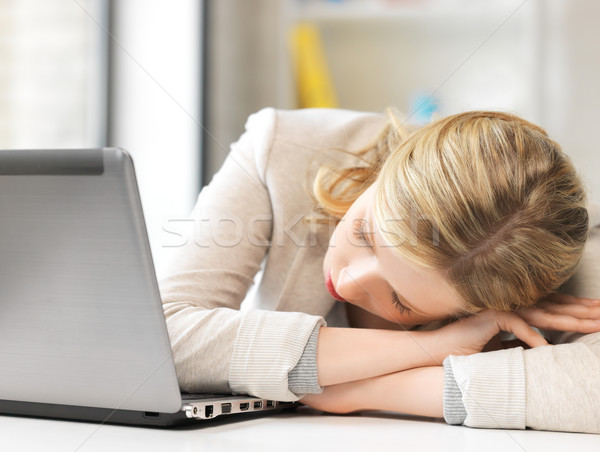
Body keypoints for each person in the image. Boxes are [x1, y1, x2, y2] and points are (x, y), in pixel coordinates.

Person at [159, 107, 600, 433]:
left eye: (400, 301)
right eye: (366, 233)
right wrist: (432, 346)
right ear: (391, 166)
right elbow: (162, 336)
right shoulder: (282, 148)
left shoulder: (551, 249)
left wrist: (363, 392)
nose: (347, 282)